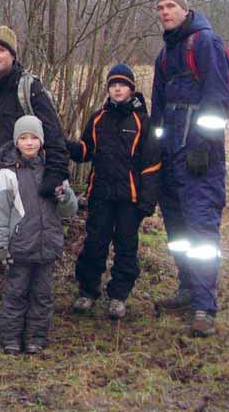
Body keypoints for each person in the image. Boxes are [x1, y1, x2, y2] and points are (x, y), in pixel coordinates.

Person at [0, 25, 69, 342]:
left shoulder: (28, 88)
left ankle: (26, 321)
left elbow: (56, 137)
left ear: (12, 54)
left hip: (19, 183)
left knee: (24, 253)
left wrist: (53, 178)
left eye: (1, 50)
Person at [150, 0, 229, 337]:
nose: (165, 12)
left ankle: (203, 306)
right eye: (160, 8)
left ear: (185, 9)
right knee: (178, 230)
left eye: (170, 6)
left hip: (201, 158)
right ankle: (186, 288)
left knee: (200, 230)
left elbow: (218, 99)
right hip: (171, 154)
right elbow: (158, 108)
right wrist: (154, 150)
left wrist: (204, 145)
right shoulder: (164, 55)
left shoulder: (204, 43)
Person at [67, 64, 161, 320]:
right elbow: (86, 151)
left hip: (130, 199)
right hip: (100, 195)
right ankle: (87, 290)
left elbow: (152, 164)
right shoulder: (98, 118)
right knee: (94, 243)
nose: (117, 89)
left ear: (131, 89)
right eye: (113, 84)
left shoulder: (143, 121)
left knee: (126, 247)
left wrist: (147, 200)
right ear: (108, 89)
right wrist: (66, 146)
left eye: (122, 84)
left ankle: (118, 296)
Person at [0, 116, 78, 355]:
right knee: (15, 293)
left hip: (47, 245)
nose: (29, 143)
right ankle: (11, 338)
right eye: (24, 138)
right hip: (19, 247)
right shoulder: (6, 175)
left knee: (43, 295)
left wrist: (64, 197)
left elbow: (70, 210)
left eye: (34, 137)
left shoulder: (53, 171)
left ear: (42, 141)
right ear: (16, 142)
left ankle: (36, 337)